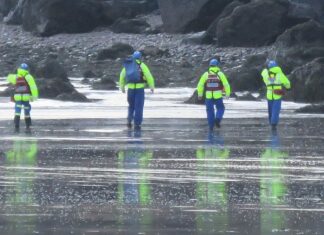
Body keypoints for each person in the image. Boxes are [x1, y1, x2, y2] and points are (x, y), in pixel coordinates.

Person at [119, 51, 155, 130]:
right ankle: (137, 124)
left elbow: (122, 76)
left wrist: (122, 87)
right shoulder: (142, 65)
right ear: (140, 57)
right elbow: (148, 76)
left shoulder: (128, 66)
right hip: (139, 90)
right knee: (138, 107)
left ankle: (129, 120)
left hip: (130, 89)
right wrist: (151, 86)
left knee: (131, 106)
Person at [197, 59, 231, 131]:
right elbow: (226, 84)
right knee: (221, 108)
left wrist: (200, 94)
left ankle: (211, 127)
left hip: (208, 96)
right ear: (217, 65)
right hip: (218, 96)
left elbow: (200, 85)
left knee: (210, 111)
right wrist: (227, 94)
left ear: (210, 65)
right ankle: (218, 119)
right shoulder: (220, 74)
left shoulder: (206, 74)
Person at [7, 63, 39, 133]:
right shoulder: (29, 76)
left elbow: (8, 78)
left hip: (17, 96)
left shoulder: (16, 76)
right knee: (27, 110)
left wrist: (14, 72)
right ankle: (28, 124)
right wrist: (34, 96)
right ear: (27, 69)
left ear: (20, 68)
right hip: (26, 96)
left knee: (17, 111)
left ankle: (16, 124)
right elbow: (33, 87)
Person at [261, 60, 291, 131]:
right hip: (277, 94)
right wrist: (288, 87)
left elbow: (263, 73)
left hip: (269, 94)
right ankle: (274, 124)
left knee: (270, 110)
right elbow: (287, 82)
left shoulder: (265, 73)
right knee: (276, 110)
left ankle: (271, 123)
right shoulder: (279, 73)